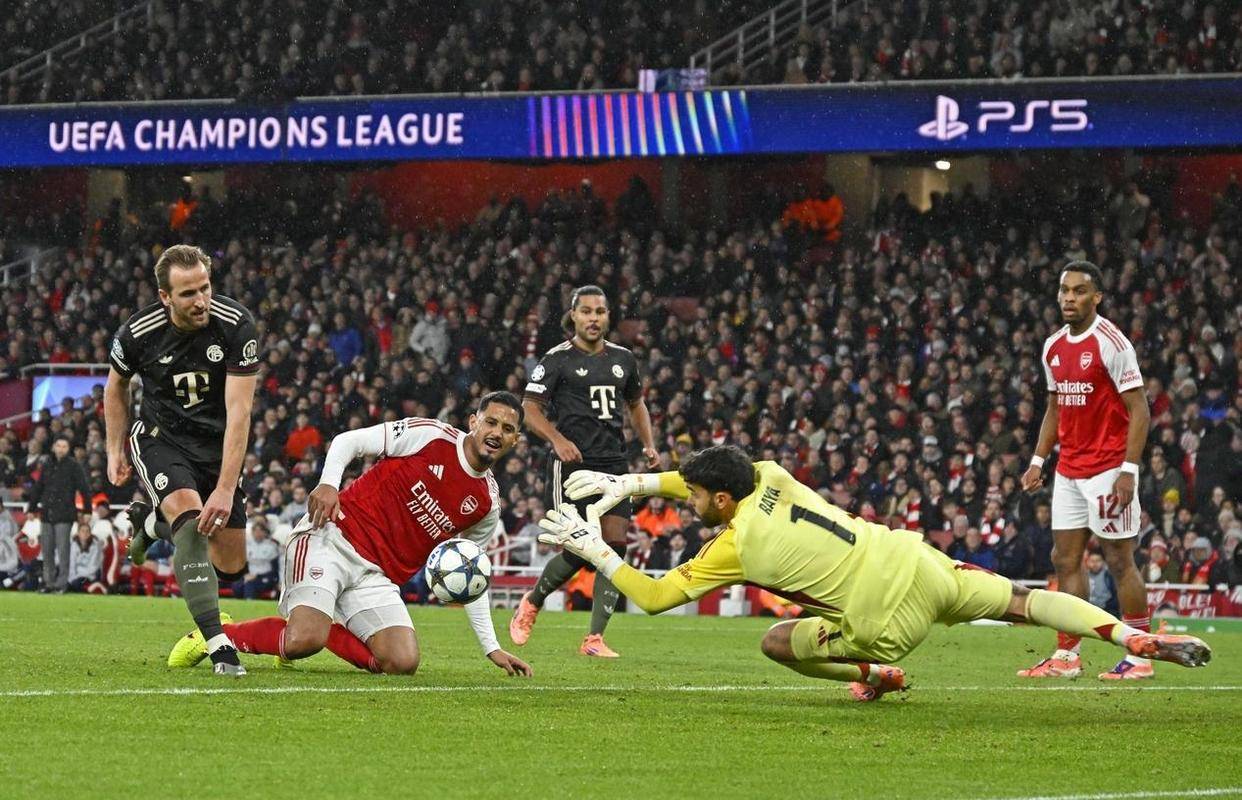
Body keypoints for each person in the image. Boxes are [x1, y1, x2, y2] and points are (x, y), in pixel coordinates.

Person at [538, 445, 1210, 702]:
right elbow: (705, 473)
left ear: (720, 500)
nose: (685, 499)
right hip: (912, 559)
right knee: (1025, 601)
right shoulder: (769, 473)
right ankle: (1131, 638)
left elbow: (656, 597)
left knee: (777, 643)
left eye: (693, 495)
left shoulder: (734, 546)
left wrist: (592, 547)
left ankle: (874, 673)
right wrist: (630, 484)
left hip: (882, 622)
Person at [167, 392, 532, 678]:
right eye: (490, 422)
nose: (496, 433)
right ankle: (219, 635)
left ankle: (313, 625)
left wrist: (491, 647)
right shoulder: (431, 436)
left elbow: (471, 575)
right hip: (331, 537)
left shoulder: (486, 504)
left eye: (507, 429)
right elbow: (348, 441)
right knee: (303, 641)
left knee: (402, 662)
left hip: (377, 577)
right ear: (474, 422)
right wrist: (329, 484)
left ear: (515, 440)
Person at [105, 244, 261, 676]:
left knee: (230, 566)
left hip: (215, 448)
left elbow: (240, 413)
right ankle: (219, 646)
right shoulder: (138, 333)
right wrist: (114, 449)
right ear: (165, 297)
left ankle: (152, 525)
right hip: (162, 440)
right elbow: (116, 386)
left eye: (205, 288)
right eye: (188, 293)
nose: (201, 300)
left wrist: (225, 489)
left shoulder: (237, 325)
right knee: (192, 525)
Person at [1019, 261, 1154, 681]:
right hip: (1069, 471)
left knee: (1119, 559)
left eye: (1079, 291)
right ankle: (1067, 655)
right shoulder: (1053, 346)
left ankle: (1140, 655)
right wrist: (1038, 460)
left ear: (1097, 297)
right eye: (1064, 291)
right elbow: (1054, 408)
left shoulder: (1113, 343)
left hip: (1109, 469)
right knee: (1064, 560)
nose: (1069, 298)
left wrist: (1128, 470)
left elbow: (1140, 410)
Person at [510, 285, 658, 658]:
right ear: (573, 315)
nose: (594, 318)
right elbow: (529, 408)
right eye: (587, 311)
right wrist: (557, 440)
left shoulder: (624, 358)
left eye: (600, 312)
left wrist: (648, 444)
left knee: (614, 547)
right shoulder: (556, 359)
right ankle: (533, 601)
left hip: (614, 464)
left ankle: (594, 639)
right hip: (573, 465)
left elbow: (636, 403)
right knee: (581, 550)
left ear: (608, 316)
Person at [25, 435, 90, 593]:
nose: (61, 449)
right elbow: (39, 487)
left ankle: (61, 584)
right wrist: (31, 508)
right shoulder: (47, 464)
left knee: (63, 551)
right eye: (59, 446)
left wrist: (87, 510)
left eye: (64, 446)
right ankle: (49, 583)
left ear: (68, 449)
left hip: (65, 514)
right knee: (47, 551)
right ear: (54, 447)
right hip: (47, 513)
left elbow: (84, 489)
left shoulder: (74, 466)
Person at [67, 522, 104, 593]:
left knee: (79, 583)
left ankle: (92, 587)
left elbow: (94, 566)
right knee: (72, 584)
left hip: (90, 575)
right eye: (82, 531)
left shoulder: (96, 546)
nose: (85, 533)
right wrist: (72, 578)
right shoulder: (73, 545)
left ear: (90, 533)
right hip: (76, 575)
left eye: (87, 531)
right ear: (78, 533)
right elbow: (72, 564)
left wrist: (81, 575)